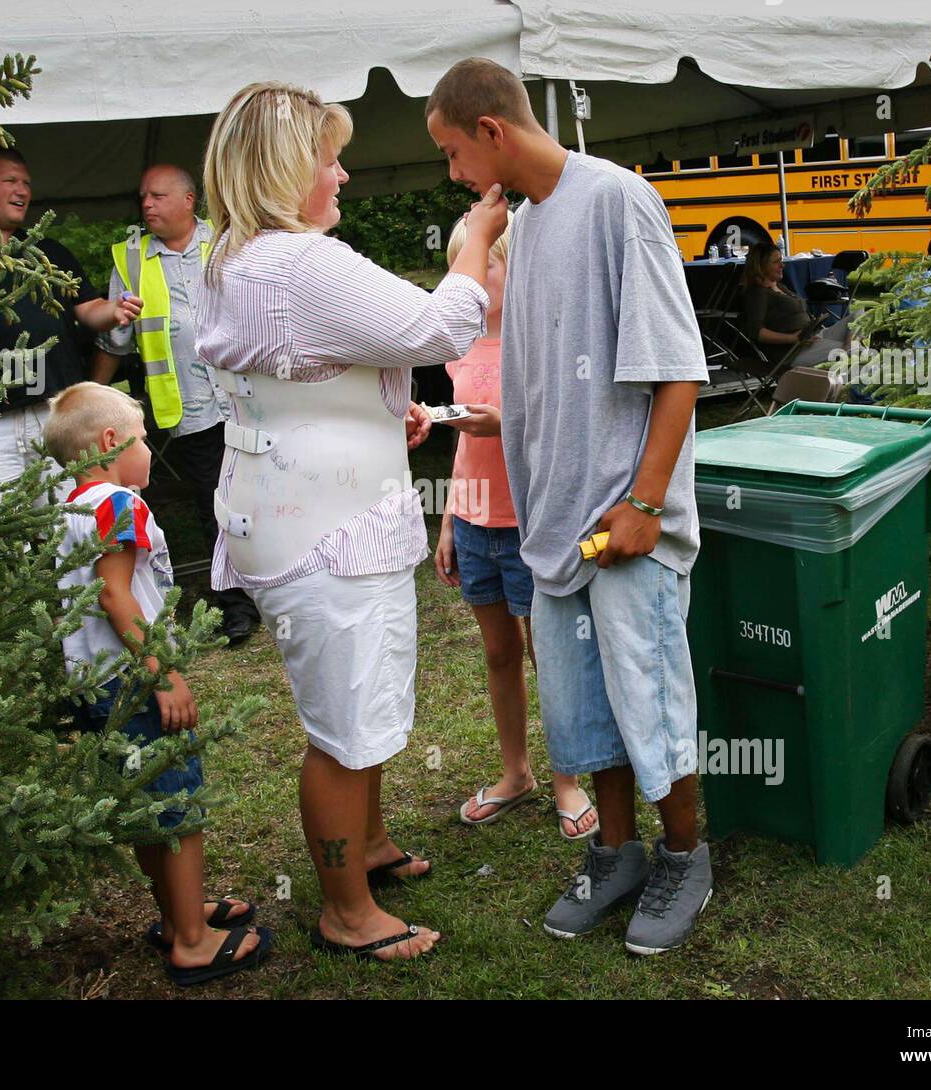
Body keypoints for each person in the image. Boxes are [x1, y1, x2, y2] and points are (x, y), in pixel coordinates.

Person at [194, 81, 506, 962]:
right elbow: (441, 328)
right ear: (287, 168)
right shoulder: (300, 263)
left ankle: (366, 846)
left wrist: (379, 414)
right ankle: (345, 910)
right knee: (342, 724)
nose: (341, 172)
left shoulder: (232, 258)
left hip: (284, 510)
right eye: (327, 156)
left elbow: (298, 374)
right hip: (328, 532)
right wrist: (476, 242)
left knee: (356, 697)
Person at [427, 58, 713, 956]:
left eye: (451, 154)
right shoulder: (531, 224)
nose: (453, 177)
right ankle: (618, 852)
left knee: (652, 705)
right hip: (556, 530)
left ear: (492, 133)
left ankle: (683, 858)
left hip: (626, 526)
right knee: (587, 713)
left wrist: (644, 503)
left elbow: (679, 372)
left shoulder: (618, 201)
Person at [45, 381, 273, 986]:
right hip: (133, 681)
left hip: (94, 683)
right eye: (145, 439)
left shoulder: (64, 507)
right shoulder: (119, 504)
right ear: (112, 442)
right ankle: (194, 941)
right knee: (178, 802)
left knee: (147, 803)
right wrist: (163, 674)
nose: (151, 451)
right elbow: (117, 596)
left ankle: (177, 914)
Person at [431, 211, 599, 841]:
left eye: (482, 262)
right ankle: (516, 772)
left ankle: (568, 779)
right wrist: (450, 518)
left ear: (517, 266)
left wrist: (504, 424)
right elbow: (463, 448)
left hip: (534, 523)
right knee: (499, 652)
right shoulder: (458, 349)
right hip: (477, 524)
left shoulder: (541, 344)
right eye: (458, 265)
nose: (466, 276)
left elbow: (567, 432)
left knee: (547, 652)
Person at [90, 164, 262, 647]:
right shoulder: (130, 260)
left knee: (269, 494)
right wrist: (90, 398)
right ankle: (237, 607)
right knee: (217, 509)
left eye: (158, 196)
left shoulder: (233, 240)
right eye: (142, 196)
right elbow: (115, 340)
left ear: (189, 201)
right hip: (190, 412)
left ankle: (282, 588)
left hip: (250, 399)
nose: (146, 204)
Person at [0, 145, 140, 501]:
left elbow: (89, 308)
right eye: (10, 180)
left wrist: (115, 311)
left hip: (55, 415)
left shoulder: (50, 251)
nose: (23, 190)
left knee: (72, 526)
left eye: (26, 183)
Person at [741, 242, 851, 367]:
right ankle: (847, 351)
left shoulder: (780, 286)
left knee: (860, 315)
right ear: (761, 266)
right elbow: (757, 332)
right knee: (862, 354)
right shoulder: (758, 293)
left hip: (814, 336)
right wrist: (794, 339)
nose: (782, 265)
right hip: (794, 352)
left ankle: (847, 348)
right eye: (776, 262)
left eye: (781, 260)